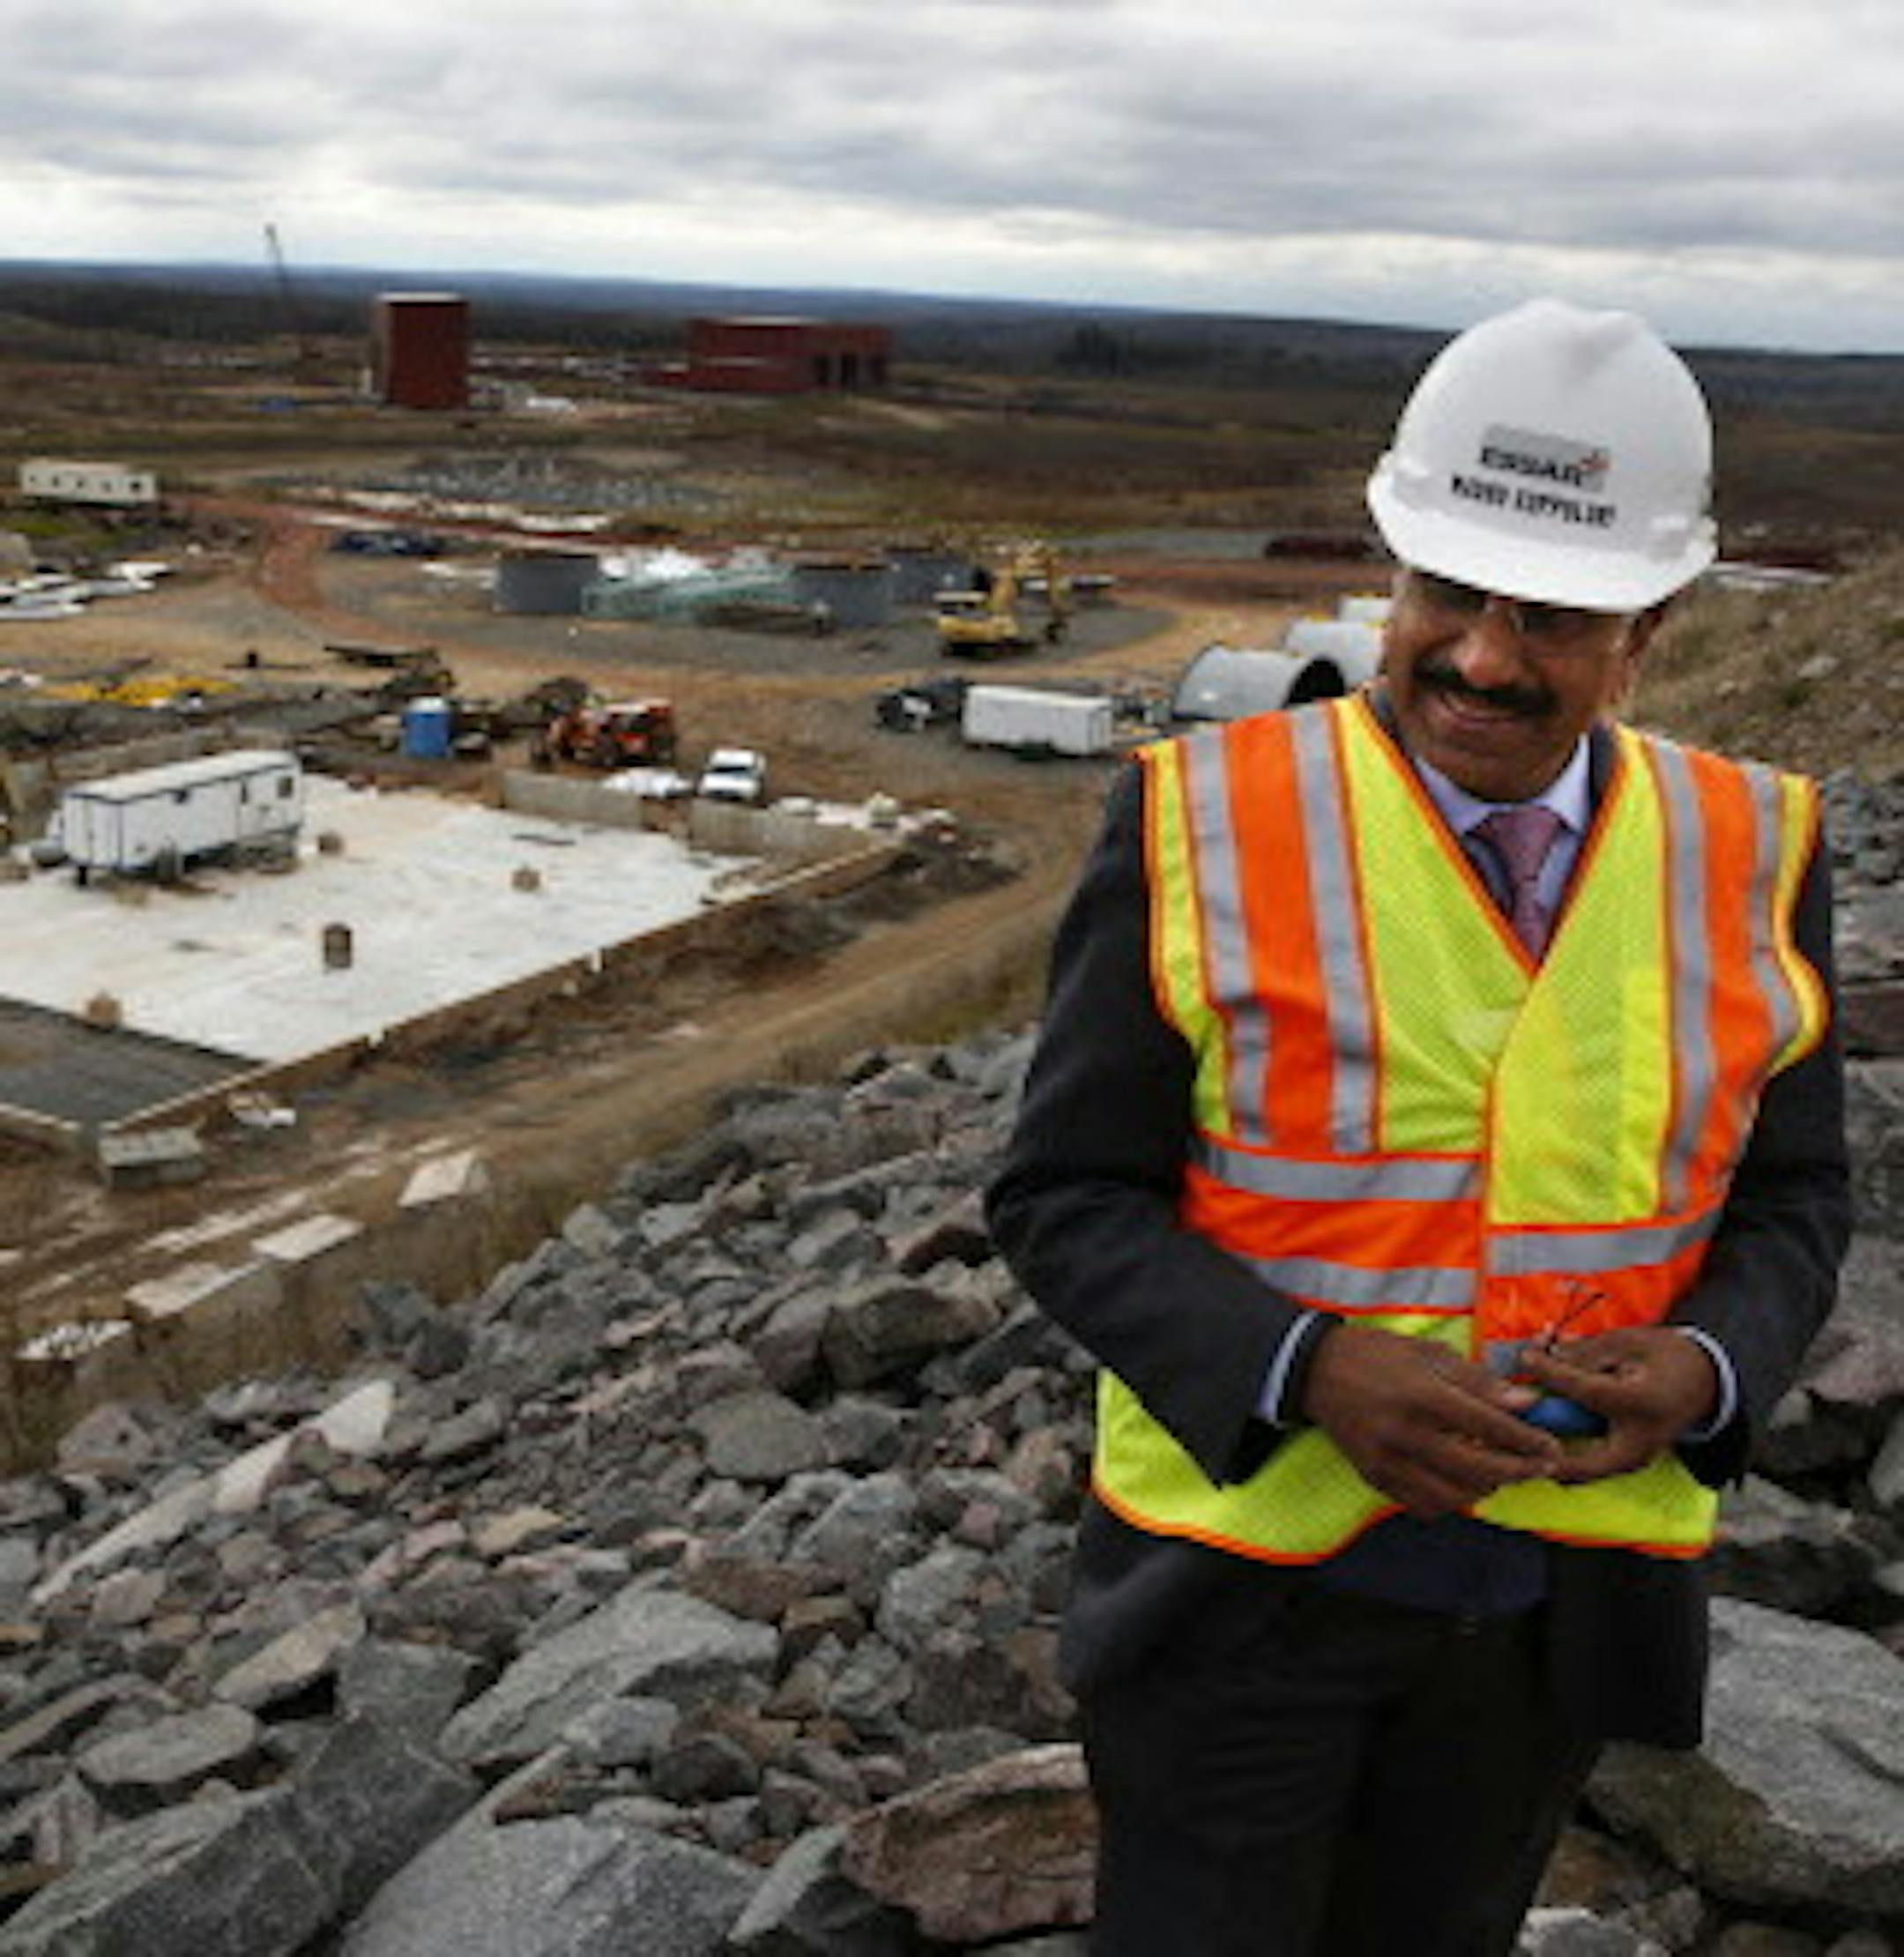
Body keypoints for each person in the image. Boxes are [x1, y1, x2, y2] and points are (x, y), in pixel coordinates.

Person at [985, 299, 1850, 1957]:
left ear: (1651, 624)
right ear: (1394, 572)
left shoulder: (1754, 846)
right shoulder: (1199, 821)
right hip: (1237, 1599)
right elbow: (1065, 1196)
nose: (1483, 656)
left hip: (1554, 1611)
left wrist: (1714, 1371)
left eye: (1556, 617)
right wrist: (1303, 1368)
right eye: (1448, 595)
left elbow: (1796, 1196)